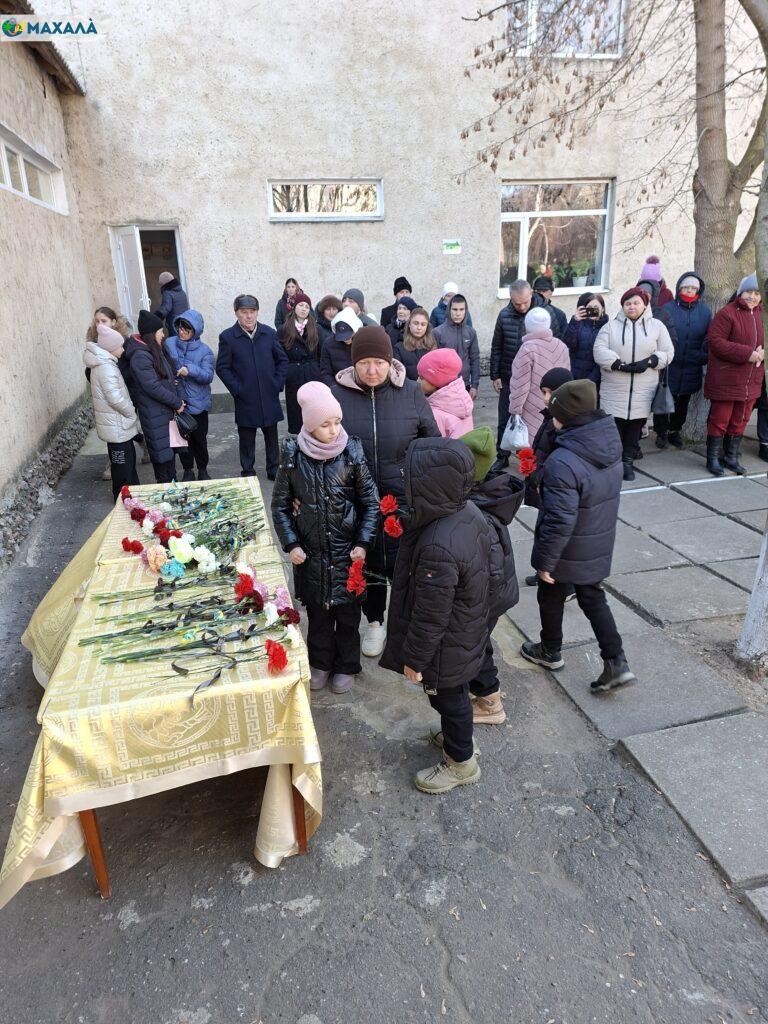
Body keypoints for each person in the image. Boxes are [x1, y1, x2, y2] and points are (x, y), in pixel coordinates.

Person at [380, 437, 492, 793]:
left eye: (410, 478)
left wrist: (415, 660)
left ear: (432, 485)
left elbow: (431, 616)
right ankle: (459, 736)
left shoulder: (437, 546)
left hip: (445, 646)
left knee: (447, 698)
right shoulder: (464, 511)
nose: (404, 482)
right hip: (465, 630)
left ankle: (461, 762)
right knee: (454, 695)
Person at [520, 379, 637, 693]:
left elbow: (559, 519)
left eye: (554, 413)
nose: (551, 418)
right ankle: (616, 661)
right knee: (592, 596)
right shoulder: (608, 442)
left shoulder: (563, 461)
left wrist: (545, 561)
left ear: (566, 417)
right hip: (597, 537)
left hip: (568, 545)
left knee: (549, 592)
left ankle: (549, 650)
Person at [332, 326, 440, 658]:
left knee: (406, 564)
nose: (372, 370)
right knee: (368, 562)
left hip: (404, 499)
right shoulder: (337, 395)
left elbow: (432, 443)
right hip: (357, 498)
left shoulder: (411, 392)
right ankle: (375, 622)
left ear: (389, 361)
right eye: (364, 363)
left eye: (378, 362)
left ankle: (405, 626)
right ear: (353, 364)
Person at [271, 382, 379, 695]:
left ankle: (346, 664)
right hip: (312, 555)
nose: (333, 430)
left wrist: (363, 542)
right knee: (318, 615)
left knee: (347, 616)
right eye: (325, 424)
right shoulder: (293, 456)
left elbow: (371, 502)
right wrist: (291, 543)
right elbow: (280, 505)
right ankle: (320, 663)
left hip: (348, 554)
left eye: (337, 422)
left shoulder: (351, 453)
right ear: (309, 425)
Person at [460, 426, 525, 726]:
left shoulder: (478, 515)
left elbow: (492, 571)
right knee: (478, 643)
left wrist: (472, 606)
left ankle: (490, 701)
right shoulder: (485, 497)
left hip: (485, 599)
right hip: (492, 597)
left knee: (475, 647)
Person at [593, 287, 674, 481]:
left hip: (643, 389)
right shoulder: (610, 327)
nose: (632, 307)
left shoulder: (657, 326)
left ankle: (627, 462)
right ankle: (613, 462)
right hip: (615, 388)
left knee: (635, 428)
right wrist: (618, 365)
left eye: (636, 303)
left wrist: (650, 361)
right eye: (628, 303)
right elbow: (599, 350)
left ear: (644, 305)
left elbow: (668, 352)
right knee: (614, 428)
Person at [216, 294, 288, 480]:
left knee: (271, 435)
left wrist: (277, 383)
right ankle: (247, 470)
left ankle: (273, 468)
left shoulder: (268, 333)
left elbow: (282, 360)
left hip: (268, 394)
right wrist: (237, 389)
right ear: (236, 313)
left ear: (257, 312)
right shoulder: (228, 337)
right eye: (244, 312)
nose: (248, 316)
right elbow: (222, 368)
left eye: (252, 311)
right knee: (246, 436)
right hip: (246, 396)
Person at [704, 273, 764, 477]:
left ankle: (730, 457)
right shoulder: (727, 313)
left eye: (757, 293)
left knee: (741, 420)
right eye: (749, 292)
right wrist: (747, 354)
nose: (752, 297)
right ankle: (713, 458)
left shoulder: (763, 315)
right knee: (720, 419)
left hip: (751, 380)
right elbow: (716, 342)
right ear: (740, 293)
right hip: (727, 379)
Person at [490, 279, 552, 471]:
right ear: (510, 298)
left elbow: (554, 345)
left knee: (534, 423)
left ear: (531, 294)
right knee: (505, 419)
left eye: (525, 302)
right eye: (517, 303)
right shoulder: (504, 315)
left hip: (537, 381)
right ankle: (502, 456)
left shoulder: (544, 314)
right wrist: (495, 374)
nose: (522, 307)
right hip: (510, 378)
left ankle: (532, 461)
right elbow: (497, 346)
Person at [87, 306, 149, 476]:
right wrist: (101, 384)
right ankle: (115, 463)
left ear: (113, 322)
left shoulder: (122, 342)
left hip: (127, 390)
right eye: (97, 321)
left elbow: (134, 367)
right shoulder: (95, 342)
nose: (100, 324)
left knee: (127, 426)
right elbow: (90, 369)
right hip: (109, 392)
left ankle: (137, 449)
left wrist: (120, 383)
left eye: (104, 320)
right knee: (114, 431)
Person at [653, 273, 711, 449]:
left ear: (698, 290)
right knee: (663, 400)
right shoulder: (667, 309)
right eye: (686, 287)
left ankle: (674, 431)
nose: (690, 290)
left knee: (682, 403)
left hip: (692, 364)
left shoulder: (705, 312)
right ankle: (661, 432)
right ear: (679, 288)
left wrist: (702, 356)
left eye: (693, 288)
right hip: (670, 364)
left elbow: (709, 338)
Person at [128, 310, 186, 483]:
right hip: (154, 415)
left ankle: (172, 489)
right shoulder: (140, 355)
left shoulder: (154, 350)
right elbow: (152, 386)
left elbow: (164, 378)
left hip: (164, 413)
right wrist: (176, 402)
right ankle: (165, 493)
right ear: (152, 333)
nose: (163, 335)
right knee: (162, 462)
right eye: (160, 331)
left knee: (169, 458)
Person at [84, 323, 141, 499]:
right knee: (123, 467)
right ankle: (124, 499)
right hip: (117, 425)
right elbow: (114, 398)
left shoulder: (105, 363)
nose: (123, 349)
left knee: (125, 464)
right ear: (110, 348)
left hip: (116, 425)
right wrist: (131, 412)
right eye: (120, 346)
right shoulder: (106, 368)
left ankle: (130, 495)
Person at [508, 307, 570, 445]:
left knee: (532, 448)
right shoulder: (561, 346)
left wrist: (515, 410)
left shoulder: (527, 349)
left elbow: (520, 385)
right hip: (558, 407)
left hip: (532, 409)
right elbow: (568, 379)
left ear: (527, 327)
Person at [165, 310, 214, 481]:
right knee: (182, 440)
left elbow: (208, 376)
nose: (182, 332)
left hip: (198, 404)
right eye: (180, 327)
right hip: (178, 403)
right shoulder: (169, 344)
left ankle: (202, 469)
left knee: (199, 440)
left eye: (187, 330)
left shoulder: (205, 351)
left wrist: (190, 370)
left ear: (196, 331)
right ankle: (187, 470)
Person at [279, 290, 322, 434]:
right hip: (294, 376)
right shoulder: (284, 329)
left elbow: (321, 353)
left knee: (313, 409)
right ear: (294, 307)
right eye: (301, 305)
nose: (303, 309)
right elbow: (280, 355)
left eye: (307, 306)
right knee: (296, 410)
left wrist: (318, 371)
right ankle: (299, 439)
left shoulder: (316, 328)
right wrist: (287, 373)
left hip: (312, 374)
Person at [417, 348, 474, 438]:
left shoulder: (436, 414)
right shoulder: (462, 400)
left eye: (421, 377)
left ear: (437, 381)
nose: (417, 381)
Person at [433, 294, 480, 398]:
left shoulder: (471, 332)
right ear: (449, 310)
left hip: (465, 384)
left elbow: (475, 359)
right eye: (454, 309)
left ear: (465, 311)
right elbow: (434, 363)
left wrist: (474, 385)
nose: (458, 313)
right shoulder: (437, 332)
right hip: (444, 385)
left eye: (461, 309)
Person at [563, 293, 606, 386]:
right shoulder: (579, 324)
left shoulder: (607, 328)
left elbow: (603, 358)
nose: (592, 310)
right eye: (589, 307)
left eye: (596, 307)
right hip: (573, 376)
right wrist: (575, 321)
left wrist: (591, 380)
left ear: (602, 309)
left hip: (594, 381)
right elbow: (567, 345)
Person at [320, 307, 363, 385]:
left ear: (355, 329)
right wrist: (335, 388)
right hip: (336, 386)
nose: (345, 339)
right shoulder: (328, 344)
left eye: (349, 334)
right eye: (341, 335)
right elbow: (325, 372)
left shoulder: (363, 342)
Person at [393, 307, 437, 380]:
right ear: (409, 324)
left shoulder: (432, 346)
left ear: (427, 327)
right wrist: (413, 385)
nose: (419, 328)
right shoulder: (398, 348)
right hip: (407, 386)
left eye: (423, 324)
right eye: (416, 323)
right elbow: (398, 375)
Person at [532, 275, 568, 340]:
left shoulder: (559, 314)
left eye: (544, 291)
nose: (541, 294)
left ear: (551, 292)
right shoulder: (525, 310)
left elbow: (564, 340)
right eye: (538, 291)